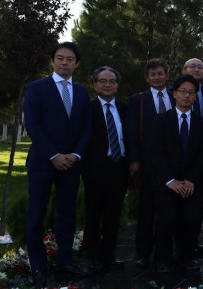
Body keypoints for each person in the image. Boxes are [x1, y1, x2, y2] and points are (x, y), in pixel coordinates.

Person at [23, 42, 92, 286]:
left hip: (71, 165)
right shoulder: (36, 88)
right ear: (53, 61)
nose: (64, 62)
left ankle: (65, 263)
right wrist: (54, 155)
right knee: (36, 216)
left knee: (67, 216)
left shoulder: (83, 93)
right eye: (60, 58)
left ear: (77, 63)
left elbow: (86, 128)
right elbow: (33, 125)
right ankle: (38, 267)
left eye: (70, 59)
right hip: (43, 163)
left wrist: (75, 155)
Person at [152, 75, 203, 273]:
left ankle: (187, 257)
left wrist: (191, 179)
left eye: (191, 93)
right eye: (183, 92)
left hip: (191, 182)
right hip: (167, 182)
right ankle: (164, 259)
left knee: (191, 220)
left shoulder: (201, 123)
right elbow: (156, 152)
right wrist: (170, 180)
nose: (187, 96)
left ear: (195, 97)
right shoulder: (161, 120)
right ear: (175, 94)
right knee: (167, 221)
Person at [125, 58, 174, 268]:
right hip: (145, 165)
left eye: (160, 73)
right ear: (147, 78)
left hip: (172, 164)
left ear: (167, 76)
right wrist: (134, 159)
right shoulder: (139, 100)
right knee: (146, 212)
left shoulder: (176, 95)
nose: (156, 77)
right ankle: (143, 253)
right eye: (152, 74)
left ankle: (165, 254)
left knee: (167, 213)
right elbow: (131, 132)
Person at [82, 66, 130, 272]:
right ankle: (92, 257)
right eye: (103, 81)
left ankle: (108, 254)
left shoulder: (125, 108)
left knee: (113, 214)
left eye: (112, 81)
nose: (107, 85)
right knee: (93, 215)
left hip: (119, 168)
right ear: (95, 85)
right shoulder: (87, 110)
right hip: (95, 169)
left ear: (117, 85)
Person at [181, 57, 203, 254]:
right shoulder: (174, 94)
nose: (197, 69)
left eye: (200, 67)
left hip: (202, 156)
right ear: (184, 70)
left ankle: (193, 240)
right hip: (179, 156)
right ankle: (177, 242)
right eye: (193, 66)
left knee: (198, 201)